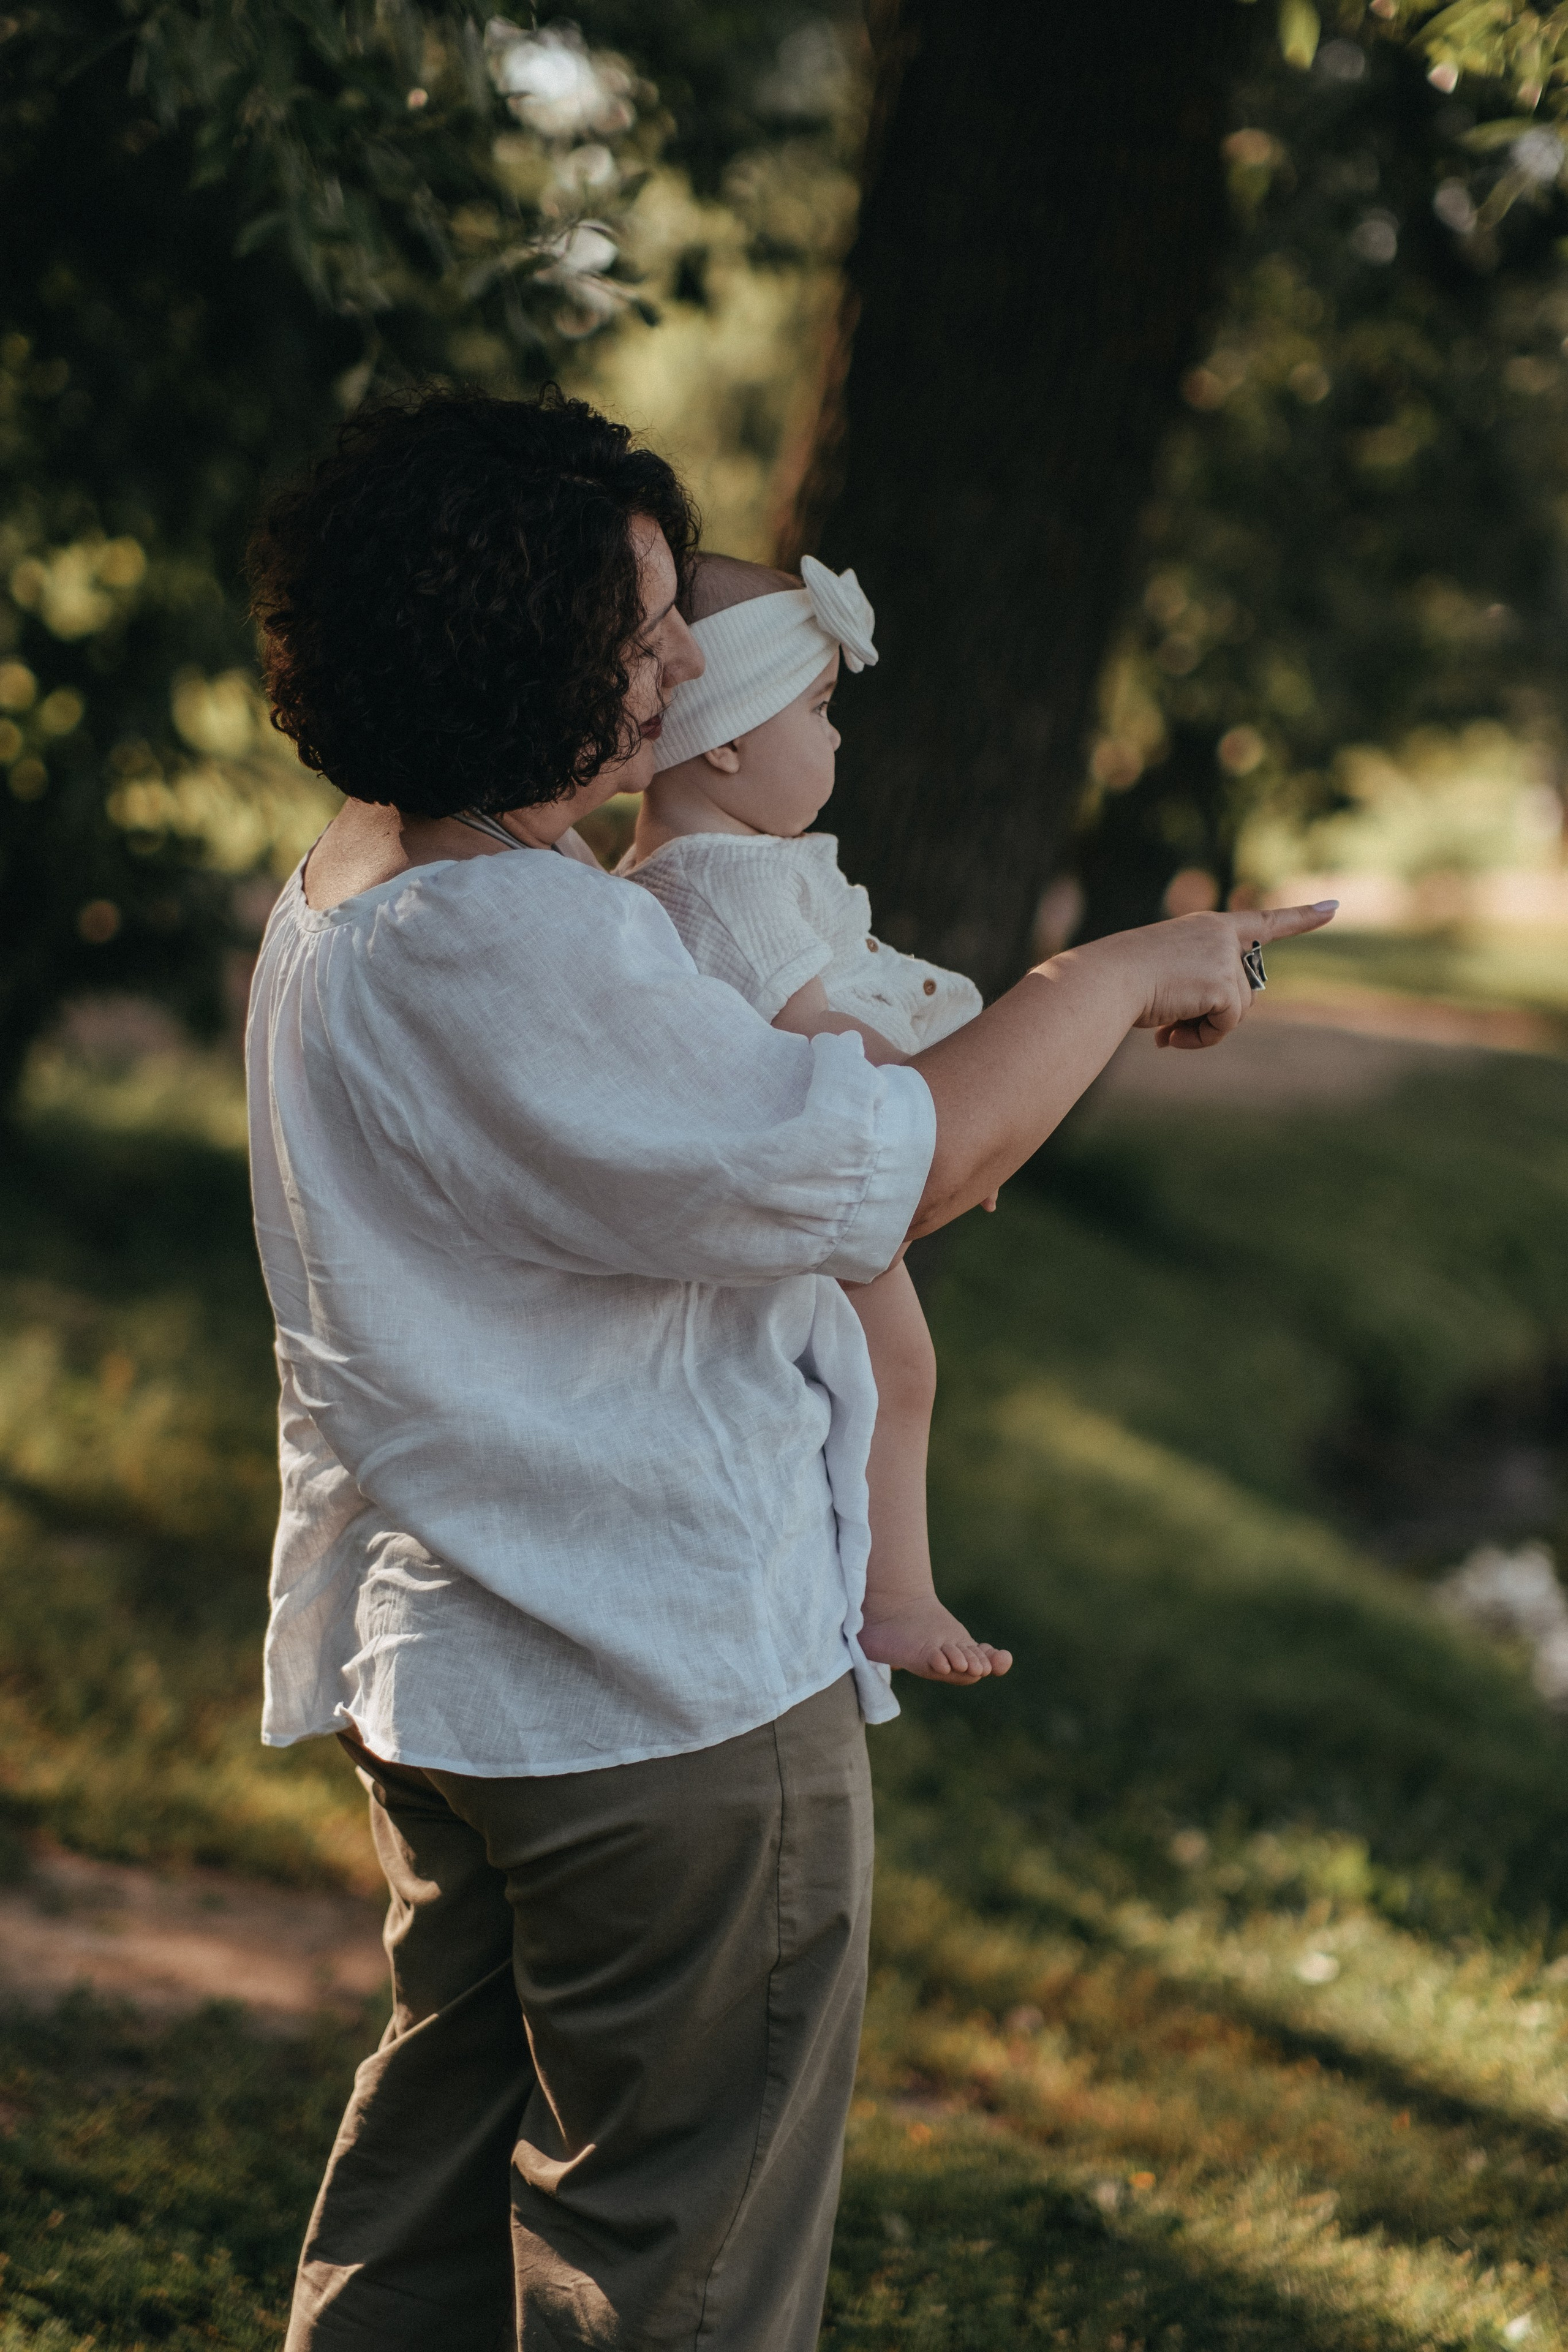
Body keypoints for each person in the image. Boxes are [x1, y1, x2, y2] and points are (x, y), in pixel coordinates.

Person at [243, 382, 1335, 2352]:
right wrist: (1105, 980)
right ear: (522, 658)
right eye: (642, 634)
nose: (677, 673)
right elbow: (894, 1172)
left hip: (467, 1679)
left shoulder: (359, 882)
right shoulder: (519, 946)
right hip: (649, 1693)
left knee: (425, 2197)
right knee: (678, 2263)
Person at [624, 549, 1009, 1686]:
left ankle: (883, 1583)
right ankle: (898, 1596)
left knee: (869, 1372)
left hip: (769, 1172)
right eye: (822, 709)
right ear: (730, 738)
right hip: (805, 1165)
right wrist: (964, 1122)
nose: (839, 739)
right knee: (902, 1370)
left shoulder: (707, 863)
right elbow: (825, 1047)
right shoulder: (722, 884)